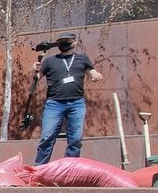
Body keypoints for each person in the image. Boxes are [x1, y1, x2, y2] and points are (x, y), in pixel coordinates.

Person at [33, 32, 104, 165]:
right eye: (61, 41)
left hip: (77, 103)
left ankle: (69, 167)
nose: (64, 44)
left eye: (67, 41)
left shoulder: (82, 59)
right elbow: (37, 78)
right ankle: (39, 168)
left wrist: (97, 76)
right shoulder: (50, 61)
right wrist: (36, 70)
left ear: (75, 42)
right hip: (54, 104)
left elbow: (93, 74)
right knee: (47, 137)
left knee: (75, 139)